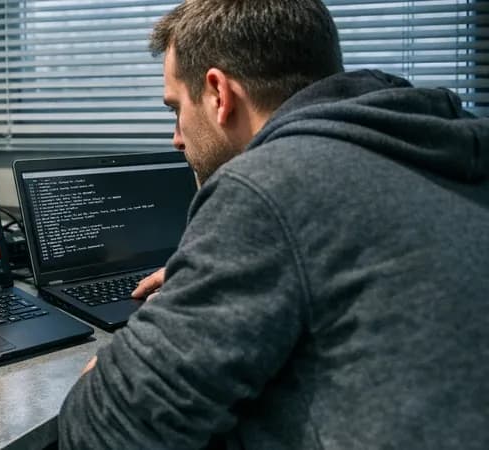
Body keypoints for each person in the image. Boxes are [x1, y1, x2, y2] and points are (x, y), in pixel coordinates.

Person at [58, 0, 489, 448]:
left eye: (175, 108)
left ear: (218, 95)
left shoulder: (270, 183)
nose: (177, 137)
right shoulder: (444, 141)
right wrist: (215, 273)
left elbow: (108, 430)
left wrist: (107, 370)